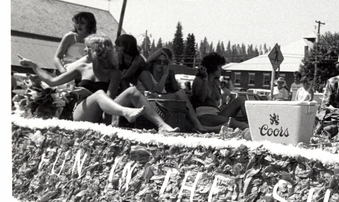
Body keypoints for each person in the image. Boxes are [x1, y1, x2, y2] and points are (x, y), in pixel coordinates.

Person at [19, 34, 178, 133]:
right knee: (99, 94)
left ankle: (162, 125)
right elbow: (52, 81)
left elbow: (109, 101)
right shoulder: (81, 68)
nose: (84, 51)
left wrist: (108, 127)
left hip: (101, 112)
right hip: (80, 112)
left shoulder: (113, 72)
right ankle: (126, 112)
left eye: (88, 48)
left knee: (133, 92)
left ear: (97, 51)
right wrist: (34, 66)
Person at [137, 48, 219, 133]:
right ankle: (199, 125)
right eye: (158, 62)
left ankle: (203, 127)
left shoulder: (162, 76)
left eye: (164, 62)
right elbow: (155, 92)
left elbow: (173, 89)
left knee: (184, 108)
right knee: (180, 94)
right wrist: (165, 75)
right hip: (149, 104)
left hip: (162, 105)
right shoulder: (146, 74)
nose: (161, 64)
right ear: (152, 63)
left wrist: (168, 75)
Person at [191, 52, 248, 130]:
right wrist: (205, 78)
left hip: (216, 113)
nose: (221, 69)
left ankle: (251, 121)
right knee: (231, 121)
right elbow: (202, 98)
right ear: (213, 67)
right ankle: (249, 128)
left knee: (242, 99)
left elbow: (218, 101)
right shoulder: (199, 80)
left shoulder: (216, 82)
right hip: (203, 115)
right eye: (220, 67)